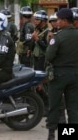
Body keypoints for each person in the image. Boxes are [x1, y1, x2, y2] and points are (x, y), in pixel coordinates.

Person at [45, 8, 78, 140]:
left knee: (55, 105)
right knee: (73, 107)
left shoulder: (58, 37)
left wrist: (50, 42)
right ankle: (69, 134)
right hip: (75, 75)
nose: (57, 22)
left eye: (58, 19)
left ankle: (52, 134)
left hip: (58, 75)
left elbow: (49, 56)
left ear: (65, 20)